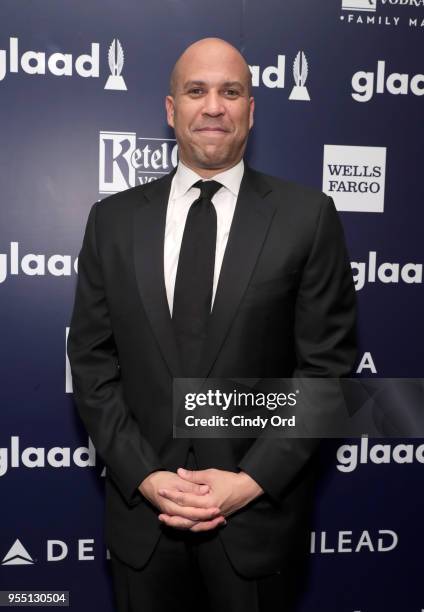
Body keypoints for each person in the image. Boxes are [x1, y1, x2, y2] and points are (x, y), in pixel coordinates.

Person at [67, 37, 357, 612]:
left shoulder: (307, 217)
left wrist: (248, 482)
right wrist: (146, 475)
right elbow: (93, 364)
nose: (214, 106)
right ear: (171, 110)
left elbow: (326, 372)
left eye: (232, 91)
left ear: (252, 108)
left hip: (256, 529)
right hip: (142, 524)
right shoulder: (112, 222)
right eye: (196, 91)